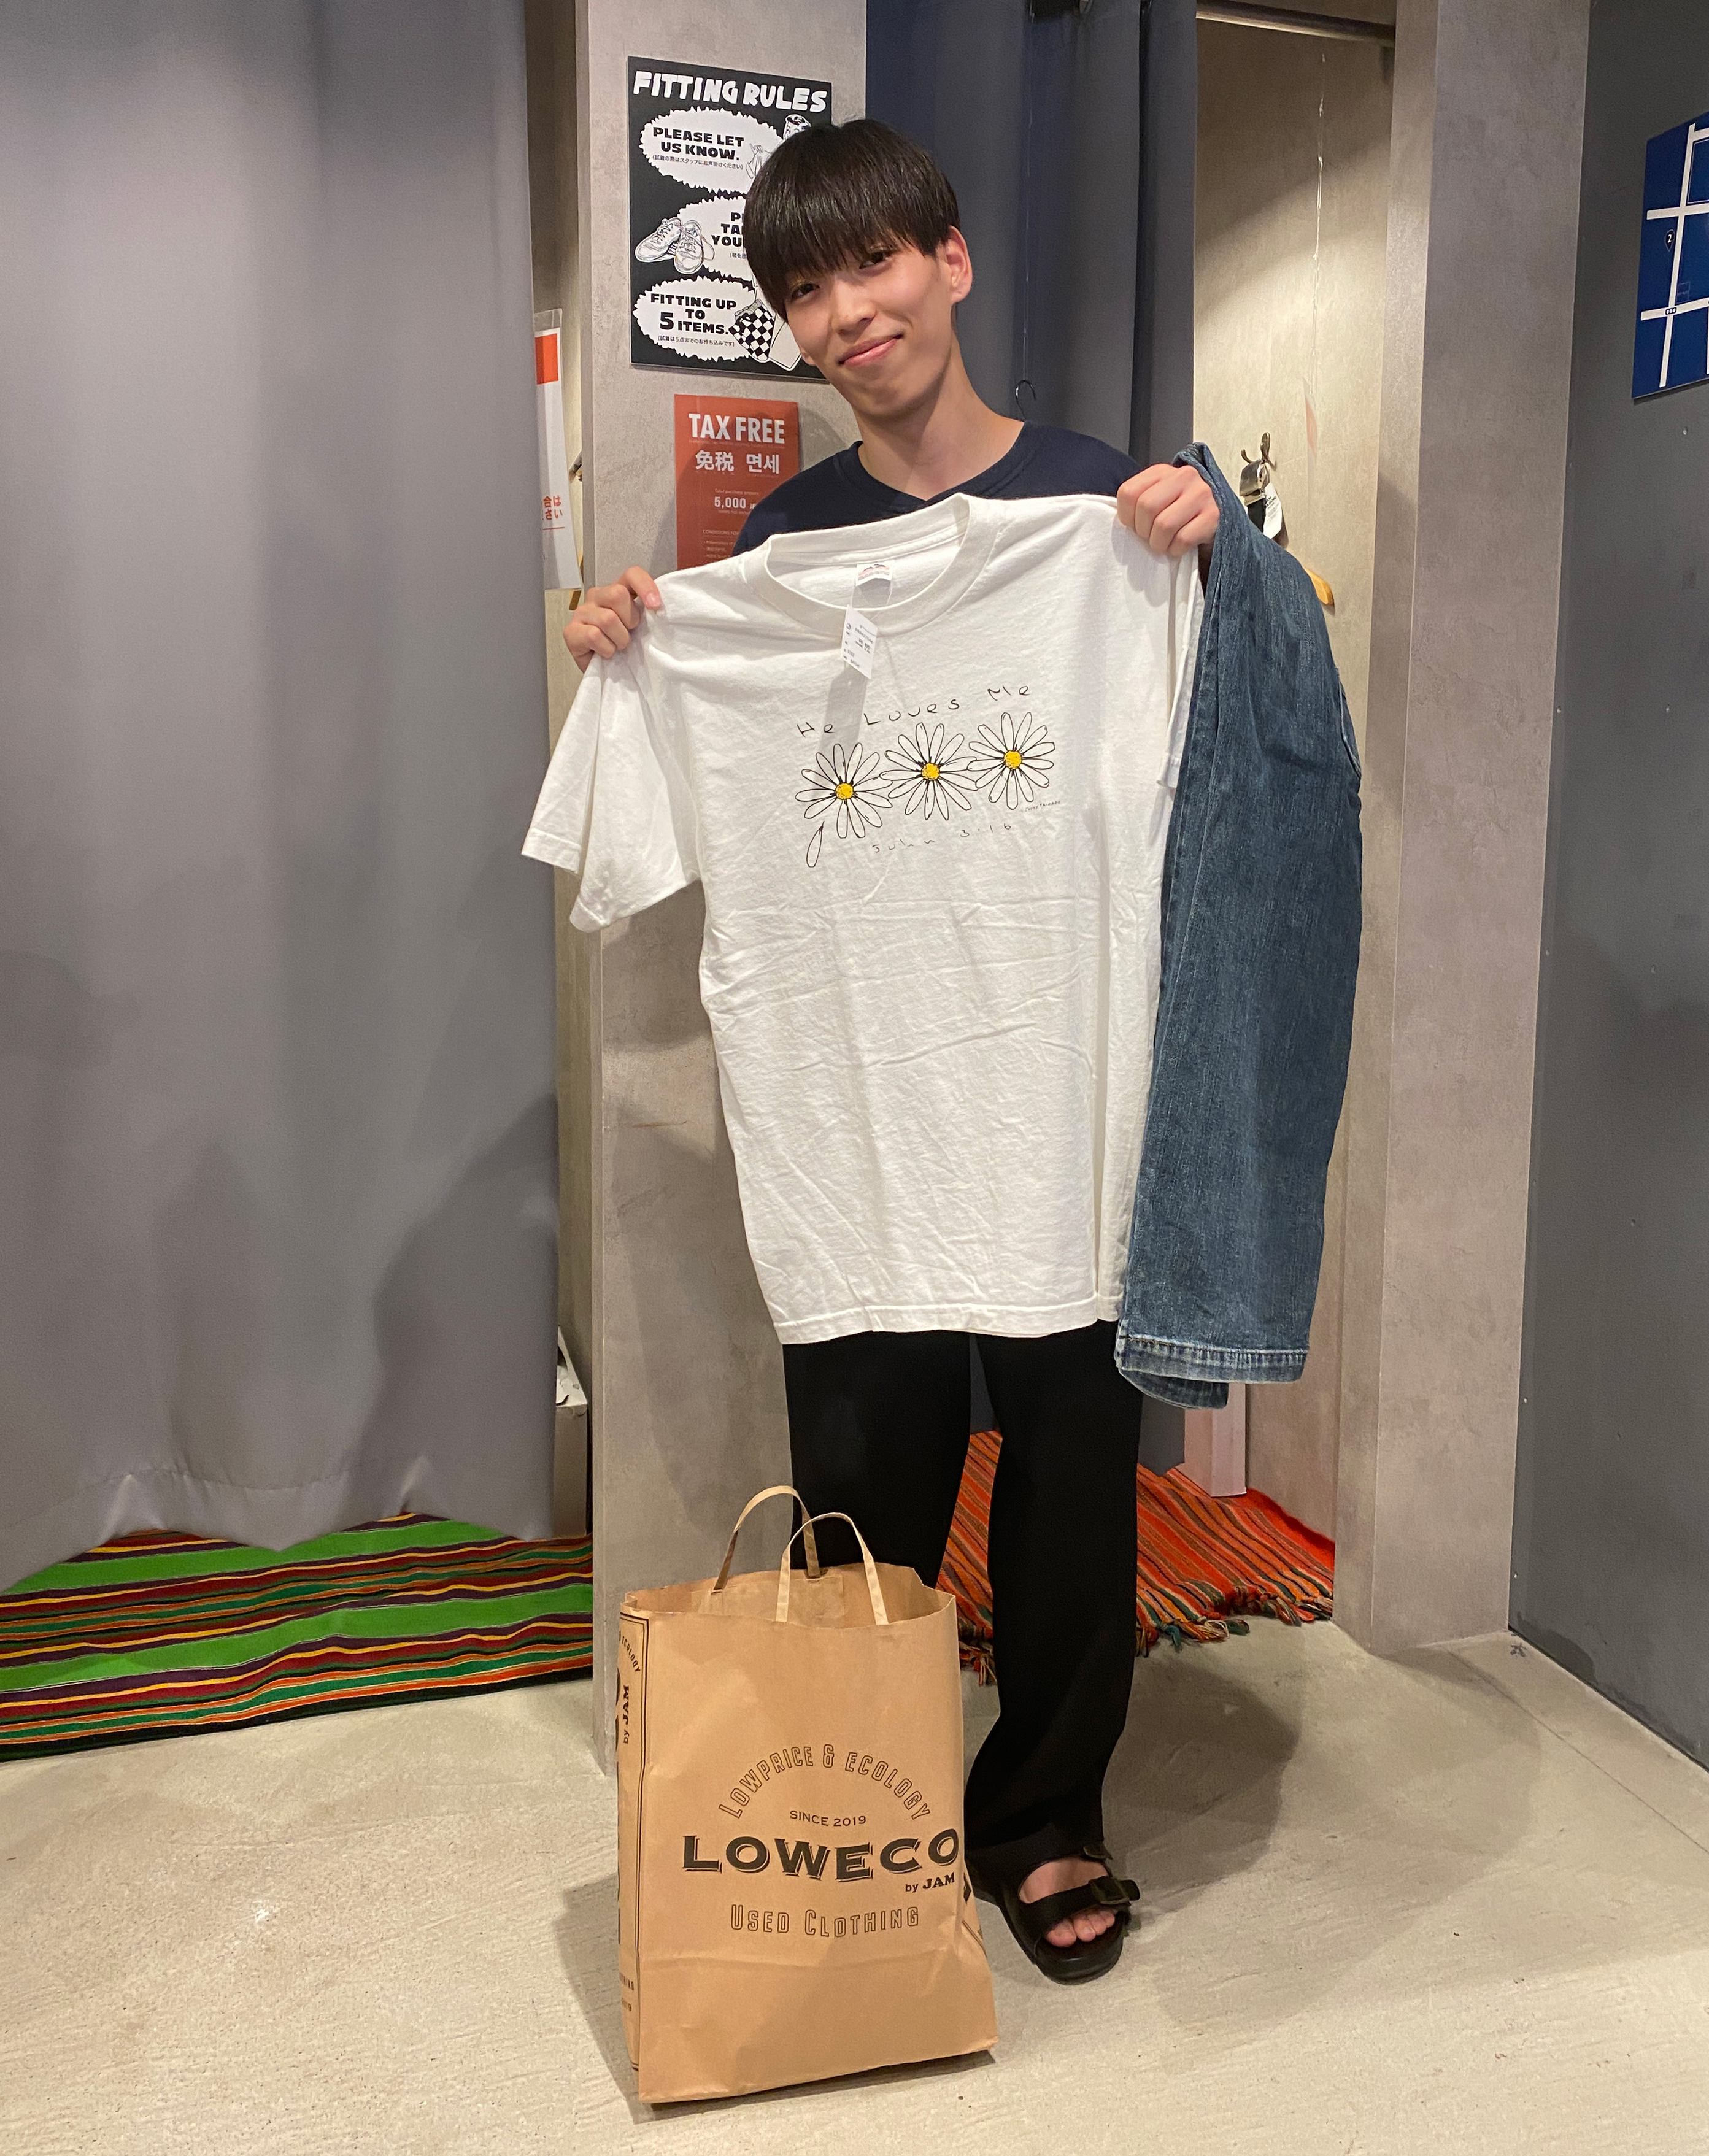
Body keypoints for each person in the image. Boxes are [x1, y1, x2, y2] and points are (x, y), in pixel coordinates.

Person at [566, 118, 1218, 1984]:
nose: (847, 313)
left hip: (1060, 1098)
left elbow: (1243, 758)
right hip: (855, 1121)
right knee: (864, 1479)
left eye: (872, 263)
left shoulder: (1106, 514)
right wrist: (627, 641)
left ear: (949, 263)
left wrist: (1222, 558)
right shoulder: (775, 554)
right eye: (804, 290)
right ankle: (869, 1798)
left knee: (1076, 1476)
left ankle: (1044, 1814)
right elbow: (646, 826)